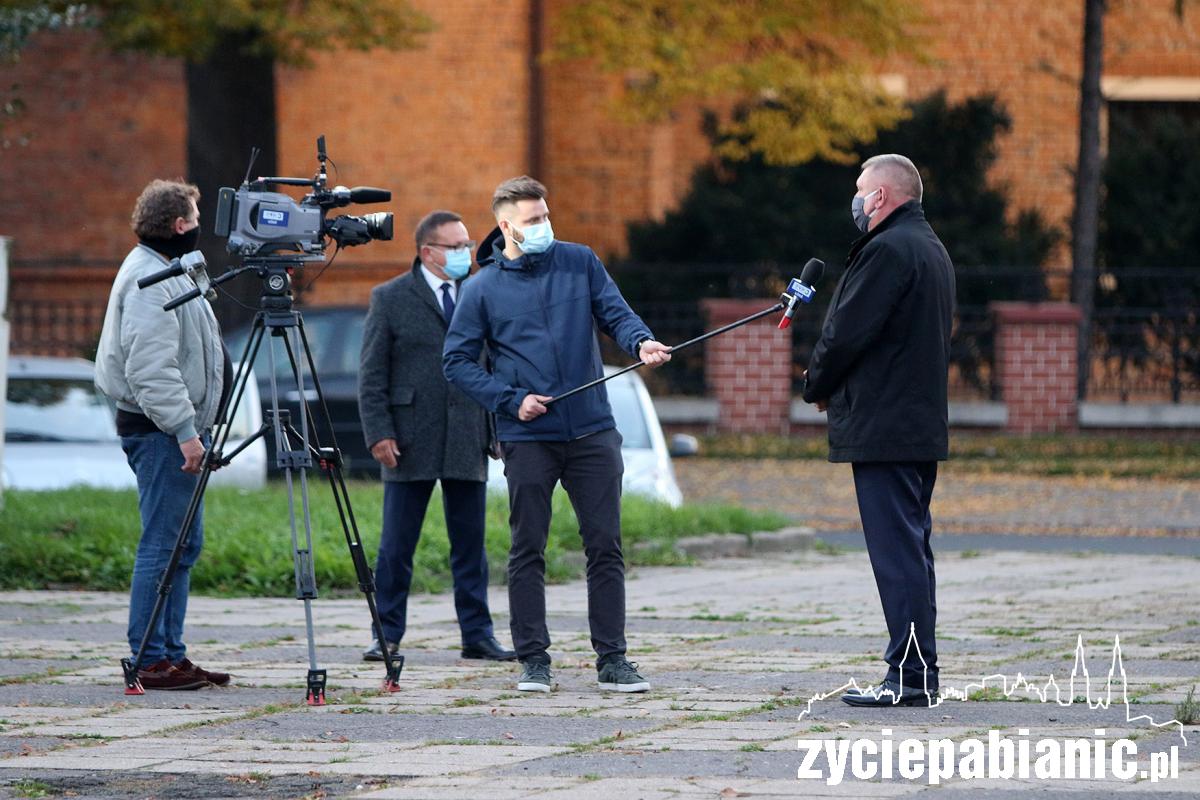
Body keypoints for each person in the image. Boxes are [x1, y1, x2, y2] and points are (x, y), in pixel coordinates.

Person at [443, 176, 671, 693]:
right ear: (507, 228)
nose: (545, 225)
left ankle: (613, 659)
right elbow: (456, 362)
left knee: (605, 545)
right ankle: (533, 660)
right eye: (533, 220)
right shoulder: (481, 289)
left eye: (546, 216)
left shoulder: (580, 262)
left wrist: (641, 342)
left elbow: (616, 313)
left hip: (592, 429)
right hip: (527, 436)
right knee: (528, 547)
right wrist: (510, 400)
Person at [802, 154, 955, 707]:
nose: (857, 201)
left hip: (885, 425)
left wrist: (816, 382)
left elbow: (847, 332)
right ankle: (917, 672)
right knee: (911, 551)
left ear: (882, 197)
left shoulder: (887, 249)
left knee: (897, 555)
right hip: (913, 423)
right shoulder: (929, 247)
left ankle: (908, 676)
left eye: (861, 190)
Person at [358, 210, 516, 664]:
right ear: (428, 252)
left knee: (470, 546)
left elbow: (494, 366)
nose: (466, 252)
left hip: (468, 433)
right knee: (396, 546)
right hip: (409, 438)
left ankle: (477, 635)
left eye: (467, 244)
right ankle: (386, 634)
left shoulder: (479, 293)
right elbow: (372, 374)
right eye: (456, 246)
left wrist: (496, 427)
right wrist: (379, 433)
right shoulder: (390, 297)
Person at [95, 179, 231, 690]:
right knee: (164, 545)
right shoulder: (149, 279)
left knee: (182, 545)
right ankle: (150, 658)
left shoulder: (170, 269)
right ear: (178, 225)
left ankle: (170, 653)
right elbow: (151, 369)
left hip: (171, 430)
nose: (199, 226)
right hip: (160, 433)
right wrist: (185, 431)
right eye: (194, 217)